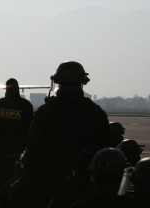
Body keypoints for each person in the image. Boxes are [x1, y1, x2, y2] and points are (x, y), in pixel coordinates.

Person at [24, 61, 111, 207]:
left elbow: (33, 149)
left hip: (50, 182)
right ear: (82, 83)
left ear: (59, 82)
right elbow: (107, 147)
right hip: (86, 184)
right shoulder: (96, 112)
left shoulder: (45, 112)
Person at [0, 78, 34, 207]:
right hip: (19, 148)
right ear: (18, 89)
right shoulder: (26, 105)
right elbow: (31, 129)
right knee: (19, 176)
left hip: (1, 148)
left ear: (6, 89)